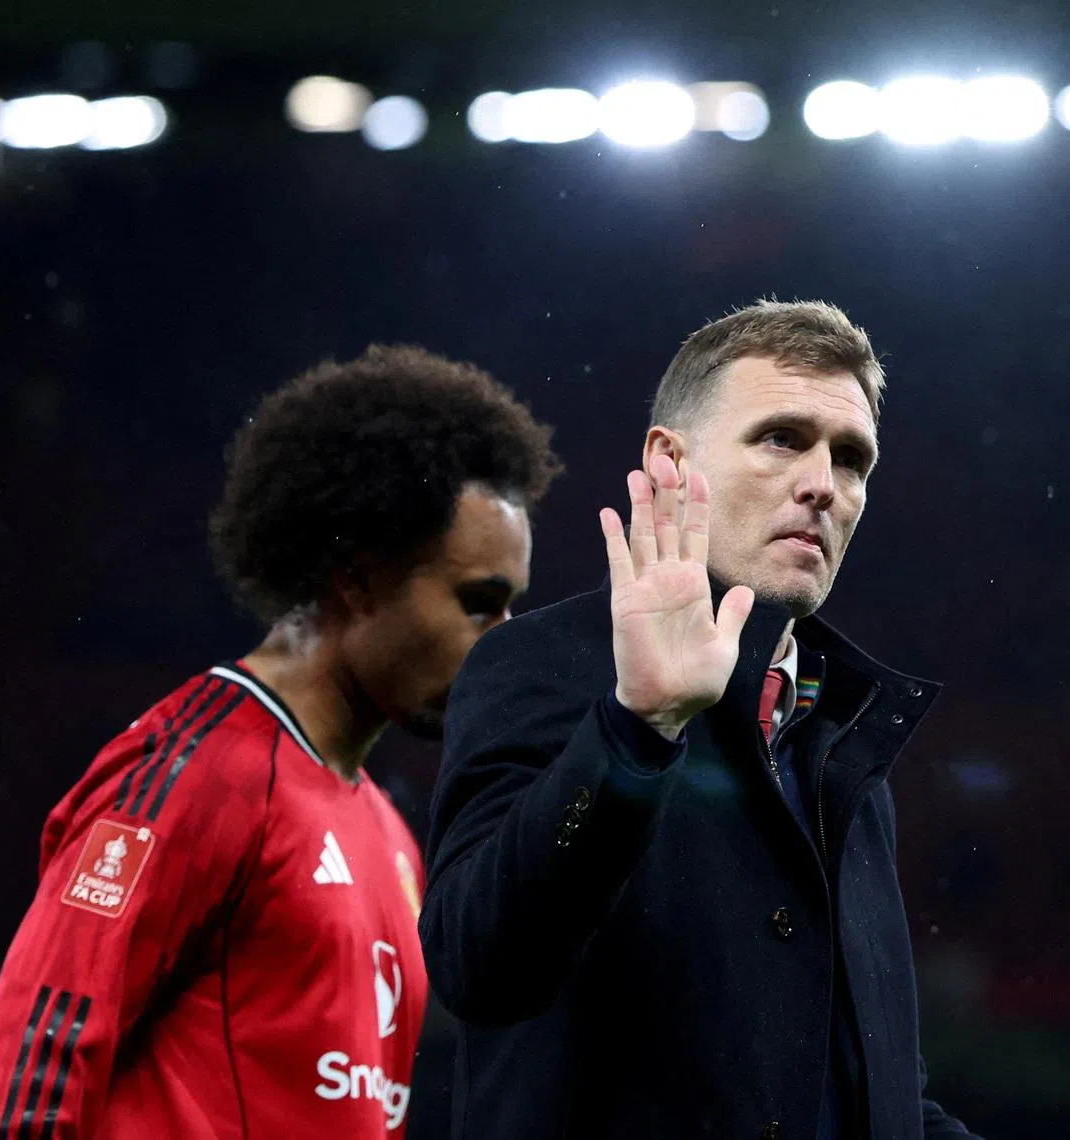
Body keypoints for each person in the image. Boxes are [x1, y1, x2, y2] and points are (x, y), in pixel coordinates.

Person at [0, 344, 561, 1138]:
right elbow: (31, 1064)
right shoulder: (196, 771)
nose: (502, 643)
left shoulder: (389, 836)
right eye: (479, 604)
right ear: (360, 579)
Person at [416, 301, 982, 1139]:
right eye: (782, 438)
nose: (825, 484)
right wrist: (636, 729)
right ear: (670, 462)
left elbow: (873, 1093)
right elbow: (479, 966)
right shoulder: (543, 666)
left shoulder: (843, 744)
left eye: (852, 458)